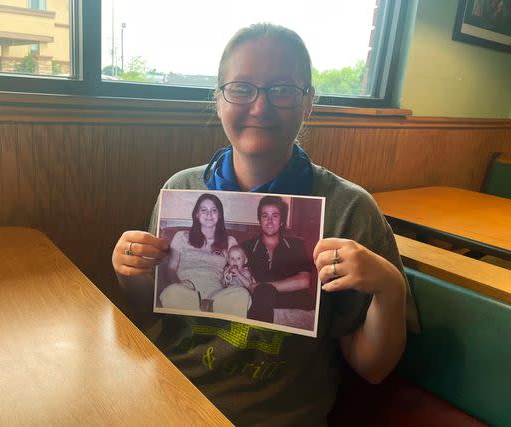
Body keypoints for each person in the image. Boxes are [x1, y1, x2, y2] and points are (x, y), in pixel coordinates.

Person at [112, 23, 418, 427]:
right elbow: (150, 312)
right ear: (218, 100)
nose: (260, 107)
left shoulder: (349, 209)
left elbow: (372, 367)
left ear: (309, 103)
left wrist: (390, 286)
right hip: (167, 398)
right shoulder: (181, 190)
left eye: (283, 90)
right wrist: (128, 271)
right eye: (241, 88)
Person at [159, 193, 251, 317]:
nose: (209, 214)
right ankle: (205, 315)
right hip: (185, 291)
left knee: (242, 295)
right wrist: (178, 284)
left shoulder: (229, 241)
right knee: (171, 293)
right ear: (196, 214)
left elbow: (237, 268)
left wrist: (231, 282)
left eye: (214, 210)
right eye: (204, 210)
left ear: (220, 215)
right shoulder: (181, 236)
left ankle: (201, 313)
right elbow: (171, 268)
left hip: (217, 296)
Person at [240, 196, 315, 323]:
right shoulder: (246, 247)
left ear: (281, 221)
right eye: (265, 216)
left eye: (275, 216)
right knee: (262, 295)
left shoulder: (296, 244)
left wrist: (262, 287)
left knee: (264, 292)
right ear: (259, 220)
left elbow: (304, 281)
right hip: (260, 301)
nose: (269, 221)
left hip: (290, 299)